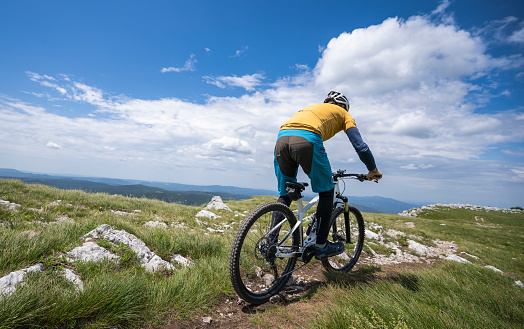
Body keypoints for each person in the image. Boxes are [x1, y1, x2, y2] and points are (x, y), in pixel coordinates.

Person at [273, 91, 382, 259]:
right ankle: (321, 245)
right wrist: (373, 170)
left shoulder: (311, 108)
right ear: (343, 106)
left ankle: (271, 243)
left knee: (285, 194)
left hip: (281, 139)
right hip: (307, 139)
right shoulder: (345, 114)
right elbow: (361, 146)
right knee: (326, 191)